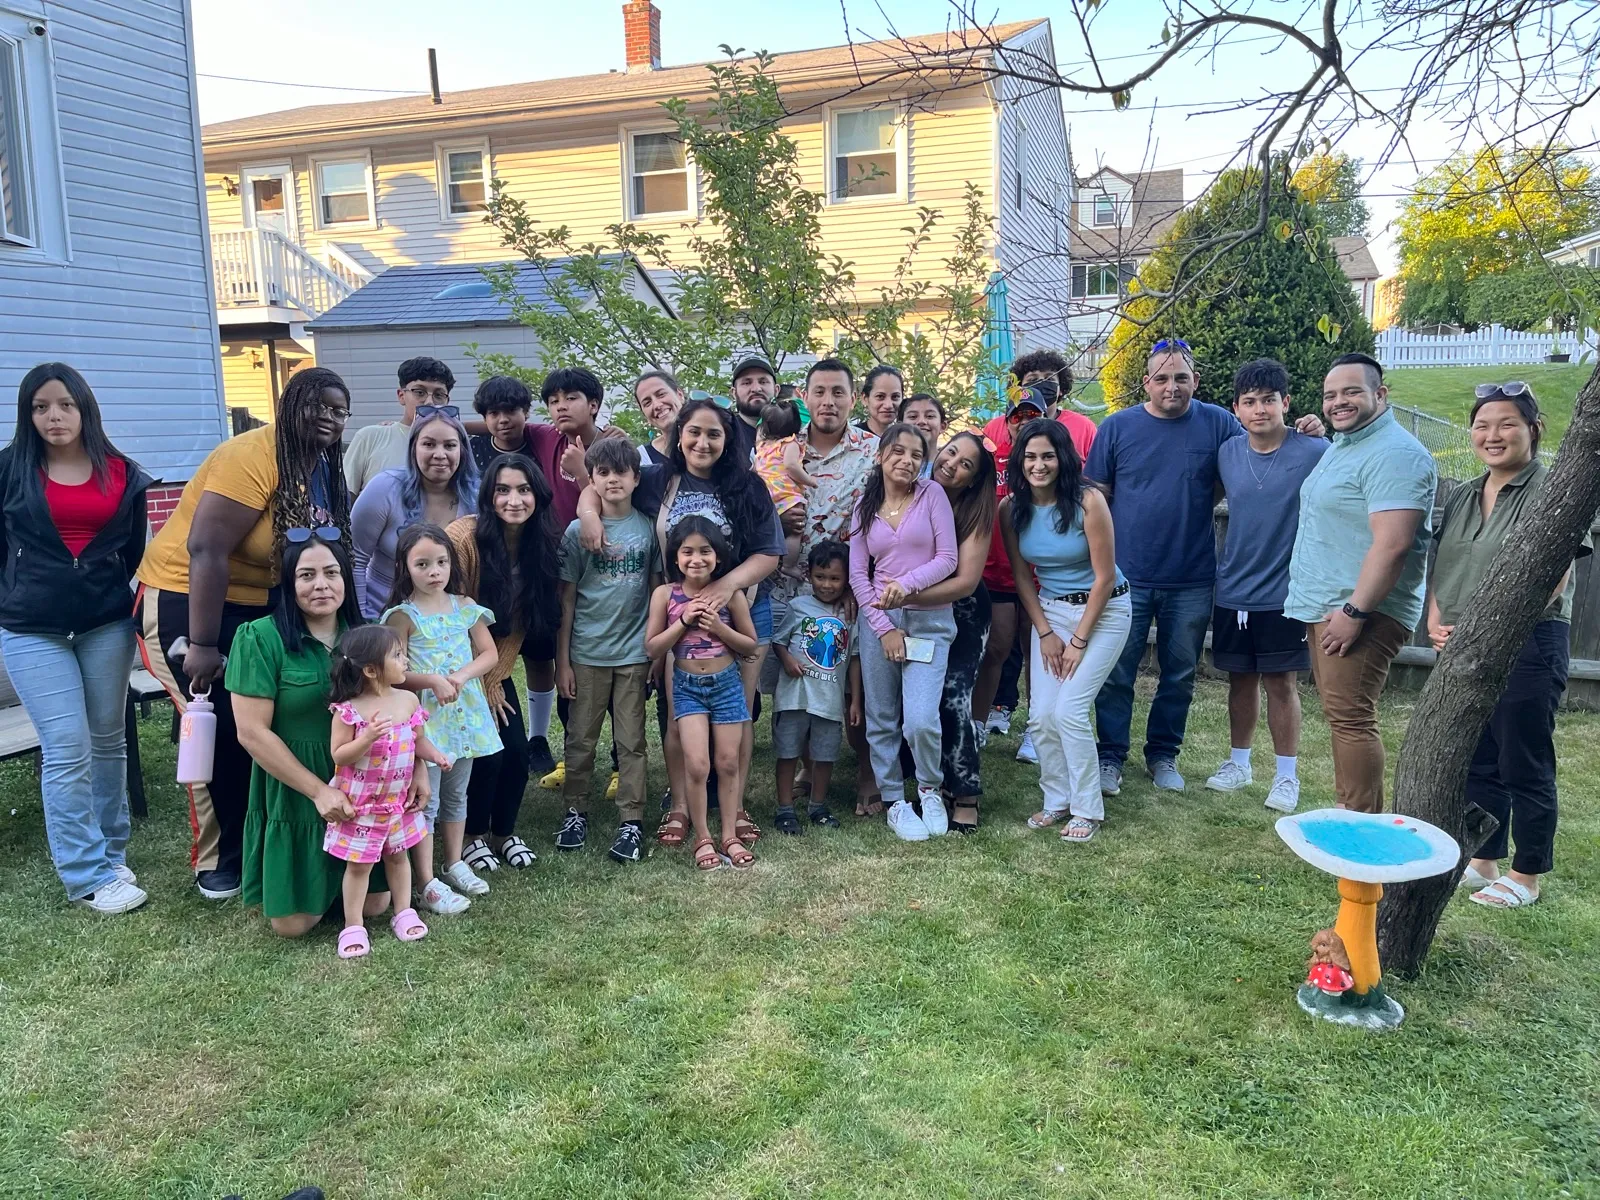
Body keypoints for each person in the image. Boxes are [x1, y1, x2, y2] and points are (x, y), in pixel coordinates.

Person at [137, 366, 354, 901]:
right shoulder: (251, 455)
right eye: (318, 406)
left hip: (258, 600)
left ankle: (263, 839)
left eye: (339, 410)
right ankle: (218, 857)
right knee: (211, 725)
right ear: (289, 406)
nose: (329, 418)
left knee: (260, 720)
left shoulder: (319, 465)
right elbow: (205, 550)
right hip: (189, 598)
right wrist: (205, 644)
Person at [1086, 339, 1322, 796]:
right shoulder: (1116, 428)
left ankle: (1163, 755)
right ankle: (1109, 757)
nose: (1171, 386)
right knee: (1117, 672)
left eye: (1181, 377)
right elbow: (1094, 499)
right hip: (1125, 577)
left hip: (1192, 578)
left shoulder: (1218, 424)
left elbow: (1264, 445)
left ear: (1196, 380)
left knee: (1178, 675)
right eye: (1161, 377)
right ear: (1145, 383)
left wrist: (1306, 427)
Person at [577, 397, 781, 847]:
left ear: (728, 440)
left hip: (742, 607)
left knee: (739, 714)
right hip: (678, 613)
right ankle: (680, 806)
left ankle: (737, 803)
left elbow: (769, 552)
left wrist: (725, 589)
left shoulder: (748, 486)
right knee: (675, 714)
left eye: (714, 433)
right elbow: (601, 486)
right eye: (694, 432)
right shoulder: (657, 479)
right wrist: (588, 514)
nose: (702, 442)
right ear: (678, 435)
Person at [0, 363, 153, 914]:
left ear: (84, 408)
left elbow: (136, 551)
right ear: (28, 414)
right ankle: (86, 874)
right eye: (41, 407)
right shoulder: (9, 472)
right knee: (67, 745)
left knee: (108, 739)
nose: (54, 416)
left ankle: (112, 855)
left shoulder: (121, 473)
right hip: (32, 630)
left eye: (64, 404)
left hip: (104, 624)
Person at [1429, 383, 1588, 908]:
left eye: (1506, 424)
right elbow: (1444, 566)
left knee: (1525, 757)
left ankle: (1527, 875)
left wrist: (1493, 626)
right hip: (1460, 643)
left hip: (1528, 641)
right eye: (1482, 425)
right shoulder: (1461, 494)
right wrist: (1434, 621)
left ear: (1533, 430)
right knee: (1479, 755)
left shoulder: (1552, 492)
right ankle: (1484, 858)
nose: (1492, 435)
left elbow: (1555, 576)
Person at [1286, 352, 1436, 814]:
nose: (1339, 402)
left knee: (1351, 719)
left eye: (1352, 391)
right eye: (1331, 395)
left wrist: (1354, 613)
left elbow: (1393, 546)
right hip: (1328, 605)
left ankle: (1362, 831)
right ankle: (1355, 819)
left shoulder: (1397, 454)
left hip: (1360, 611)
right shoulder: (1347, 446)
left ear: (1380, 394)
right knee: (1341, 718)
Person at [226, 533, 386, 937]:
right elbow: (251, 732)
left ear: (346, 580)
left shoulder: (365, 637)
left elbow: (400, 710)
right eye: (307, 575)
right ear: (288, 584)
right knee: (293, 926)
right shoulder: (260, 638)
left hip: (360, 780)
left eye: (332, 573)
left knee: (377, 906)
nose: (321, 585)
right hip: (297, 785)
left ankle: (341, 885)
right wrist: (319, 792)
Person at [1204, 360, 1328, 813]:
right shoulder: (1227, 453)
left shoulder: (1314, 450)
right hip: (1233, 587)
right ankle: (1239, 764)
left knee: (1281, 683)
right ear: (1236, 409)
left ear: (1286, 403)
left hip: (1286, 591)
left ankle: (1286, 776)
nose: (1260, 409)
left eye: (1269, 400)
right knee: (1240, 681)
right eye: (1250, 402)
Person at [1003, 420, 1132, 843]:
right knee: (1040, 716)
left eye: (1048, 456)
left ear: (1064, 459)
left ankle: (1087, 809)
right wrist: (1045, 632)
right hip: (1053, 615)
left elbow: (1104, 578)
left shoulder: (1088, 500)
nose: (1039, 465)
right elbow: (1023, 578)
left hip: (1106, 611)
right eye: (1030, 457)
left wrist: (1077, 642)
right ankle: (1055, 799)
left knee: (1070, 711)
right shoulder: (1011, 510)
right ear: (1019, 462)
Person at [447, 454, 561, 872]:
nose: (514, 500)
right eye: (503, 490)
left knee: (515, 752)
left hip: (492, 667)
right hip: (451, 670)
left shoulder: (539, 544)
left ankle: (503, 833)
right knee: (486, 752)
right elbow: (444, 618)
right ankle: (472, 837)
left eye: (524, 489)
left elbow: (518, 623)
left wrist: (494, 678)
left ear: (537, 495)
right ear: (488, 495)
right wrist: (477, 681)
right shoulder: (463, 539)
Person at [381, 523, 501, 912]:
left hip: (463, 713)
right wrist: (431, 679)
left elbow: (488, 654)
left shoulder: (465, 606)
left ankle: (453, 863)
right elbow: (392, 672)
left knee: (456, 792)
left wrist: (460, 676)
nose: (434, 571)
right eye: (423, 564)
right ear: (405, 567)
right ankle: (425, 880)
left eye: (441, 562)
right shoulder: (403, 616)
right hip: (426, 720)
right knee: (424, 797)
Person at [850, 422, 959, 841]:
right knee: (881, 718)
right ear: (880, 456)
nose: (907, 460)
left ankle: (929, 788)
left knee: (919, 720)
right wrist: (882, 628)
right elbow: (859, 575)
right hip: (880, 623)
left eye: (916, 454)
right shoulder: (864, 506)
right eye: (897, 451)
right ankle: (895, 799)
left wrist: (907, 586)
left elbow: (948, 558)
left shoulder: (932, 495)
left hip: (929, 619)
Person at [976, 382, 1097, 759]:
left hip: (1041, 577)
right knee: (996, 648)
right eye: (1017, 417)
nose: (1024, 423)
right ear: (1006, 422)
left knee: (1040, 653)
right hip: (995, 571)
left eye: (1033, 415)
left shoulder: (1051, 462)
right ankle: (981, 721)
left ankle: (1034, 727)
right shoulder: (990, 458)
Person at [554, 437, 661, 864]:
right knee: (580, 739)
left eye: (621, 473)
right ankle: (574, 811)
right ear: (592, 479)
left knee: (632, 741)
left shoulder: (649, 528)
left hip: (634, 654)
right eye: (603, 473)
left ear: (637, 478)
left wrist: (656, 652)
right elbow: (567, 600)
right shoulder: (579, 531)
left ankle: (632, 820)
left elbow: (656, 592)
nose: (613, 479)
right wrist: (563, 661)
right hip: (587, 653)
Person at [325, 624, 450, 958]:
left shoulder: (408, 700)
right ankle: (353, 925)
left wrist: (434, 755)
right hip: (362, 805)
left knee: (399, 857)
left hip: (399, 803)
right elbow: (338, 755)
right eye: (397, 655)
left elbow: (418, 739)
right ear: (370, 670)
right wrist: (364, 739)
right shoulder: (348, 710)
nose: (405, 659)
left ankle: (403, 910)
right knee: (359, 866)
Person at [645, 517, 760, 870]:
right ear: (675, 558)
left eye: (705, 551)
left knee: (727, 761)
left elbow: (751, 645)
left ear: (718, 557)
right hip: (687, 687)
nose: (697, 559)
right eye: (688, 552)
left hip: (726, 684)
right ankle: (703, 837)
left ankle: (730, 835)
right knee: (697, 765)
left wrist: (719, 627)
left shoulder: (730, 594)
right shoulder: (665, 595)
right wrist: (682, 622)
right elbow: (652, 648)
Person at [906, 431, 997, 832]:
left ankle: (966, 793)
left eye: (966, 465)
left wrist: (905, 594)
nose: (952, 465)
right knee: (919, 697)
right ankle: (932, 783)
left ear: (974, 479)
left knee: (953, 696)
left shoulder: (976, 513)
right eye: (951, 453)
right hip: (912, 609)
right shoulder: (914, 493)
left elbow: (965, 581)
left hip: (962, 612)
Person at [350, 406, 478, 618]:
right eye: (428, 444)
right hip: (382, 616)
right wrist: (361, 620)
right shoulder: (384, 489)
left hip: (446, 623)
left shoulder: (476, 499)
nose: (440, 454)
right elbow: (355, 558)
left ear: (462, 450)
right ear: (413, 449)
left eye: (450, 445)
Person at [771, 540, 861, 834]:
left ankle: (817, 806)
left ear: (847, 580)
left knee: (824, 757)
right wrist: (786, 661)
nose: (827, 585)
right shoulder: (797, 607)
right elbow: (779, 641)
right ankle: (785, 809)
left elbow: (855, 658)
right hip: (794, 698)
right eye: (820, 577)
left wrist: (855, 700)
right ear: (809, 575)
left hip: (830, 700)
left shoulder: (850, 614)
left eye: (835, 578)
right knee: (787, 753)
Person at [344, 357, 457, 496]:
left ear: (447, 401)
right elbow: (346, 496)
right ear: (401, 395)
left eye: (438, 395)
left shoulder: (454, 446)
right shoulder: (370, 437)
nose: (429, 402)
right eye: (419, 392)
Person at [753, 398, 817, 575]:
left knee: (771, 529)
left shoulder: (763, 446)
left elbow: (753, 468)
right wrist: (809, 480)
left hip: (764, 493)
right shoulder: (790, 443)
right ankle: (789, 565)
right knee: (796, 529)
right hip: (784, 493)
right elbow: (791, 465)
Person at [469, 373, 532, 473]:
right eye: (494, 413)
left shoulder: (540, 448)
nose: (503, 420)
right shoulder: (472, 450)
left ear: (526, 411)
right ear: (485, 418)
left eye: (511, 410)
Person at [633, 368, 686, 468]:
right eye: (647, 403)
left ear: (680, 395)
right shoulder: (642, 459)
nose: (657, 405)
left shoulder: (710, 442)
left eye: (661, 394)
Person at [727, 356, 773, 465]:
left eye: (763, 381)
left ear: (776, 389)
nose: (756, 389)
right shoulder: (724, 433)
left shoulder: (793, 431)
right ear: (734, 393)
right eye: (747, 383)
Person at [898, 394, 947, 473]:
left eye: (930, 416)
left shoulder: (945, 467)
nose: (921, 421)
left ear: (942, 426)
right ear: (900, 425)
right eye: (913, 416)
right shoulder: (892, 462)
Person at [855, 363, 904, 438]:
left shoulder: (905, 439)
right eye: (880, 396)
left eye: (895, 397)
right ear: (865, 399)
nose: (888, 405)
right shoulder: (852, 438)